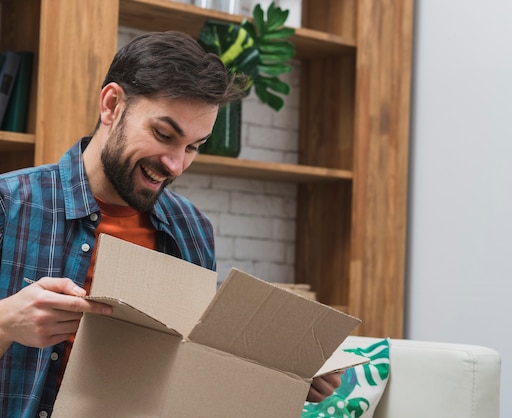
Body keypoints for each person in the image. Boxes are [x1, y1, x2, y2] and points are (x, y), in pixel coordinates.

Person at [0, 31, 341, 417]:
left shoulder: (192, 229)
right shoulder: (9, 202)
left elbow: (192, 378)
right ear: (111, 105)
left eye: (194, 146)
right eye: (164, 135)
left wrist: (287, 377)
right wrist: (6, 324)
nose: (176, 165)